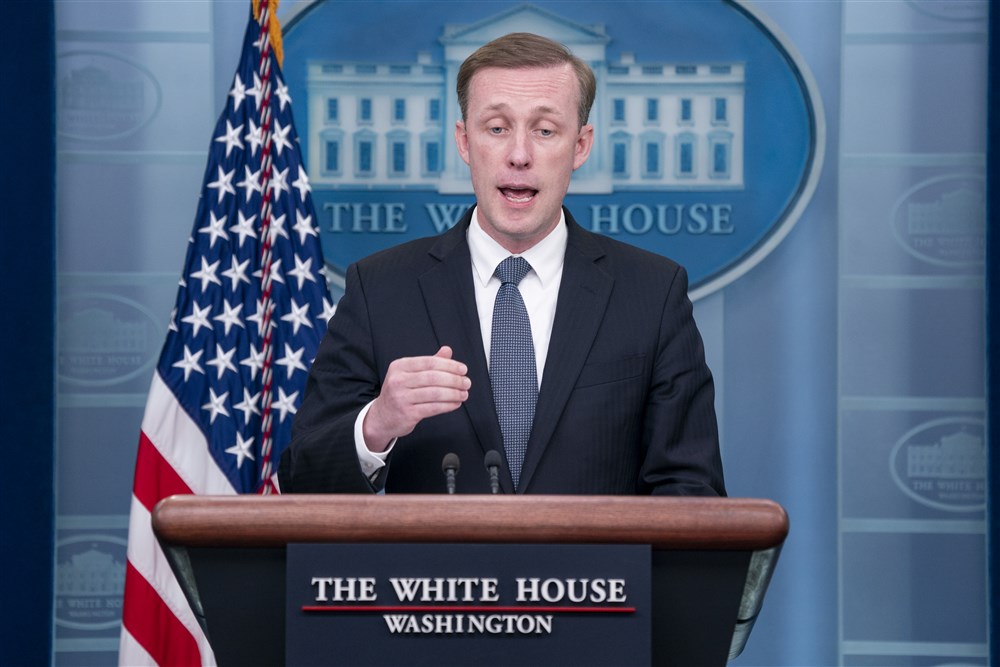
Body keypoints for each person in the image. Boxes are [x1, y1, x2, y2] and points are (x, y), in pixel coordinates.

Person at [278, 32, 726, 496]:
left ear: (581, 145)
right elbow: (302, 480)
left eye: (544, 130)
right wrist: (377, 423)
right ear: (464, 141)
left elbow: (692, 491)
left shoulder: (653, 293)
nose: (519, 155)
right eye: (496, 128)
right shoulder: (379, 290)